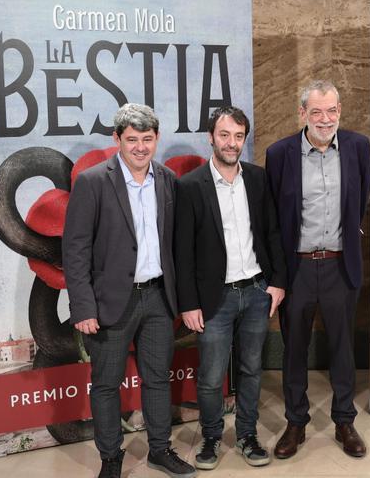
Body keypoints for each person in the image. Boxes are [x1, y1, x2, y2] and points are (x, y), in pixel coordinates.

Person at [63, 104, 196, 478]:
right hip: (110, 302)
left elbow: (176, 245)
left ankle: (159, 450)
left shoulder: (168, 179)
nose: (140, 147)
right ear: (117, 139)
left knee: (157, 378)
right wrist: (83, 306)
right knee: (106, 384)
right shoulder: (92, 182)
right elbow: (75, 249)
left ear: (157, 139)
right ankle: (110, 458)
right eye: (132, 139)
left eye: (147, 139)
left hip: (157, 297)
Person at [174, 106, 286, 470]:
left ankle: (247, 436)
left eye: (239, 136)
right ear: (211, 137)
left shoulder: (257, 178)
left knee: (252, 369)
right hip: (214, 299)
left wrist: (278, 283)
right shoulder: (190, 186)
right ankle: (209, 437)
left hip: (256, 290)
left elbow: (271, 233)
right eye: (225, 135)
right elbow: (183, 252)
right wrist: (188, 304)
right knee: (210, 375)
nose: (232, 143)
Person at [265, 80, 370, 459]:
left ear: (340, 111)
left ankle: (345, 420)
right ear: (302, 114)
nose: (325, 119)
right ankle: (296, 422)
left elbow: (361, 201)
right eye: (316, 112)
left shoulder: (358, 147)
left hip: (341, 265)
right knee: (294, 348)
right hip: (298, 268)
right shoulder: (279, 154)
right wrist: (278, 275)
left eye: (331, 111)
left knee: (343, 347)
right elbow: (274, 219)